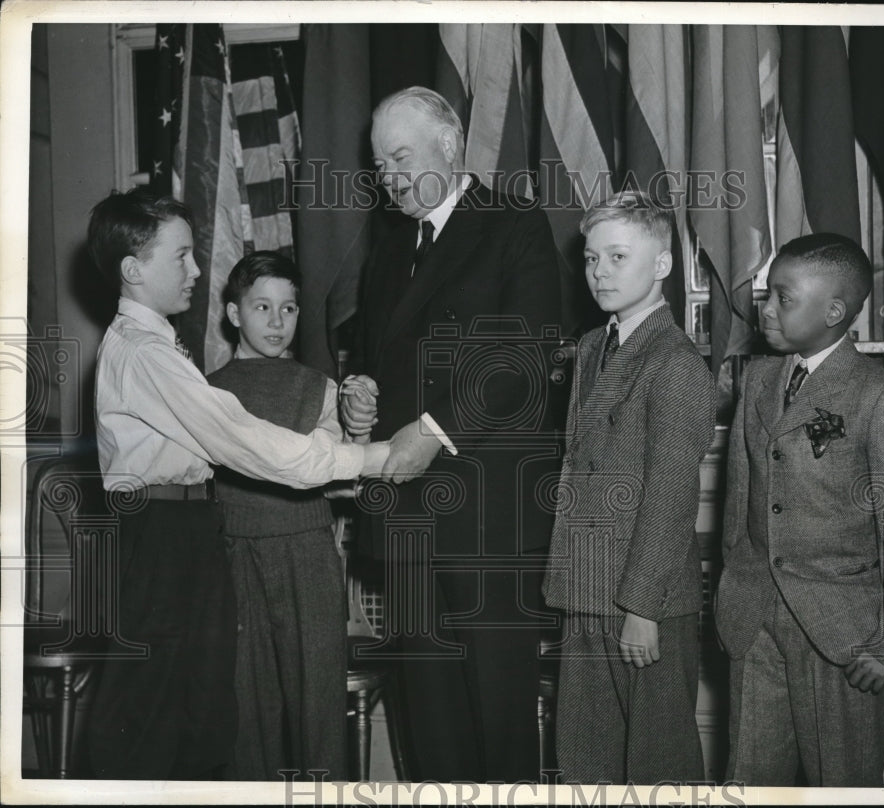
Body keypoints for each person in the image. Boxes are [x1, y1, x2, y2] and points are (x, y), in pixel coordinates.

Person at [85, 189, 388, 780]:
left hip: (187, 529)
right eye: (181, 256)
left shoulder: (156, 346)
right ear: (133, 269)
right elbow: (237, 435)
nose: (197, 270)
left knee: (199, 712)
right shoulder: (145, 352)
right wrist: (370, 456)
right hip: (162, 533)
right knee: (150, 709)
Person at [340, 86, 562, 782]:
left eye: (401, 157)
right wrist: (361, 397)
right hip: (404, 518)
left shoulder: (513, 224)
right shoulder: (388, 247)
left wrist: (435, 429)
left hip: (486, 519)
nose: (390, 178)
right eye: (380, 166)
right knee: (427, 719)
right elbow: (384, 360)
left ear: (452, 143)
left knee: (495, 719)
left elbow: (522, 356)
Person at [714, 233, 884, 786]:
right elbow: (738, 497)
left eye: (782, 298)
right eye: (766, 295)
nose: (764, 309)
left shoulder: (883, 399)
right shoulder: (761, 379)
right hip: (755, 618)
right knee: (749, 780)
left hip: (845, 636)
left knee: (843, 784)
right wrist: (732, 590)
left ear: (835, 311)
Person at [541, 192, 715, 784]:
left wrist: (641, 608)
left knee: (657, 763)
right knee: (586, 756)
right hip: (586, 585)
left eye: (618, 257)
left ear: (662, 265)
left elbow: (669, 497)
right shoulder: (593, 346)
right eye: (592, 259)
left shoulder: (676, 362)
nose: (600, 273)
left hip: (646, 602)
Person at [206, 251, 354, 780]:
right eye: (262, 307)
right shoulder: (206, 390)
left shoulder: (320, 386)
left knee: (318, 703)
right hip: (234, 553)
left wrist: (358, 425)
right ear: (232, 313)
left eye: (288, 309)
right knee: (247, 707)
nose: (276, 322)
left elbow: (338, 472)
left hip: (307, 549)